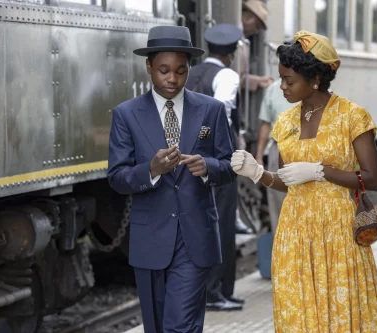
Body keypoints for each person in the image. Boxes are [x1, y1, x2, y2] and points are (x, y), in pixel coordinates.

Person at [231, 30, 377, 332]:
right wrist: (257, 173)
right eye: (280, 78)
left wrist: (322, 171)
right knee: (298, 313)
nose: (282, 87)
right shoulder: (286, 121)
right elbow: (288, 181)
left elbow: (373, 179)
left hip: (338, 232)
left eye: (289, 81)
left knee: (341, 309)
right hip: (294, 230)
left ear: (314, 78)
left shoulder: (351, 117)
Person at [107, 25, 236, 333]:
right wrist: (151, 169)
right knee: (157, 327)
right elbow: (116, 176)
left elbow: (229, 164)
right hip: (150, 238)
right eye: (163, 70)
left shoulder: (210, 111)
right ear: (148, 66)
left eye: (180, 71)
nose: (172, 79)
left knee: (180, 326)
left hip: (195, 238)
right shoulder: (126, 115)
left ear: (188, 69)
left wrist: (208, 166)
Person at [186, 23, 244, 311]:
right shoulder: (228, 75)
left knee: (198, 223)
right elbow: (218, 112)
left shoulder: (190, 73)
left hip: (187, 159)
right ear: (231, 53)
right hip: (219, 159)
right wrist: (207, 140)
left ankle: (213, 291)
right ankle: (216, 292)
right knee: (221, 223)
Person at [255, 51, 298, 233]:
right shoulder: (273, 89)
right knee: (277, 205)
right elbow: (265, 125)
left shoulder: (313, 88)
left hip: (307, 151)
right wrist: (259, 156)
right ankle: (281, 253)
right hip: (277, 150)